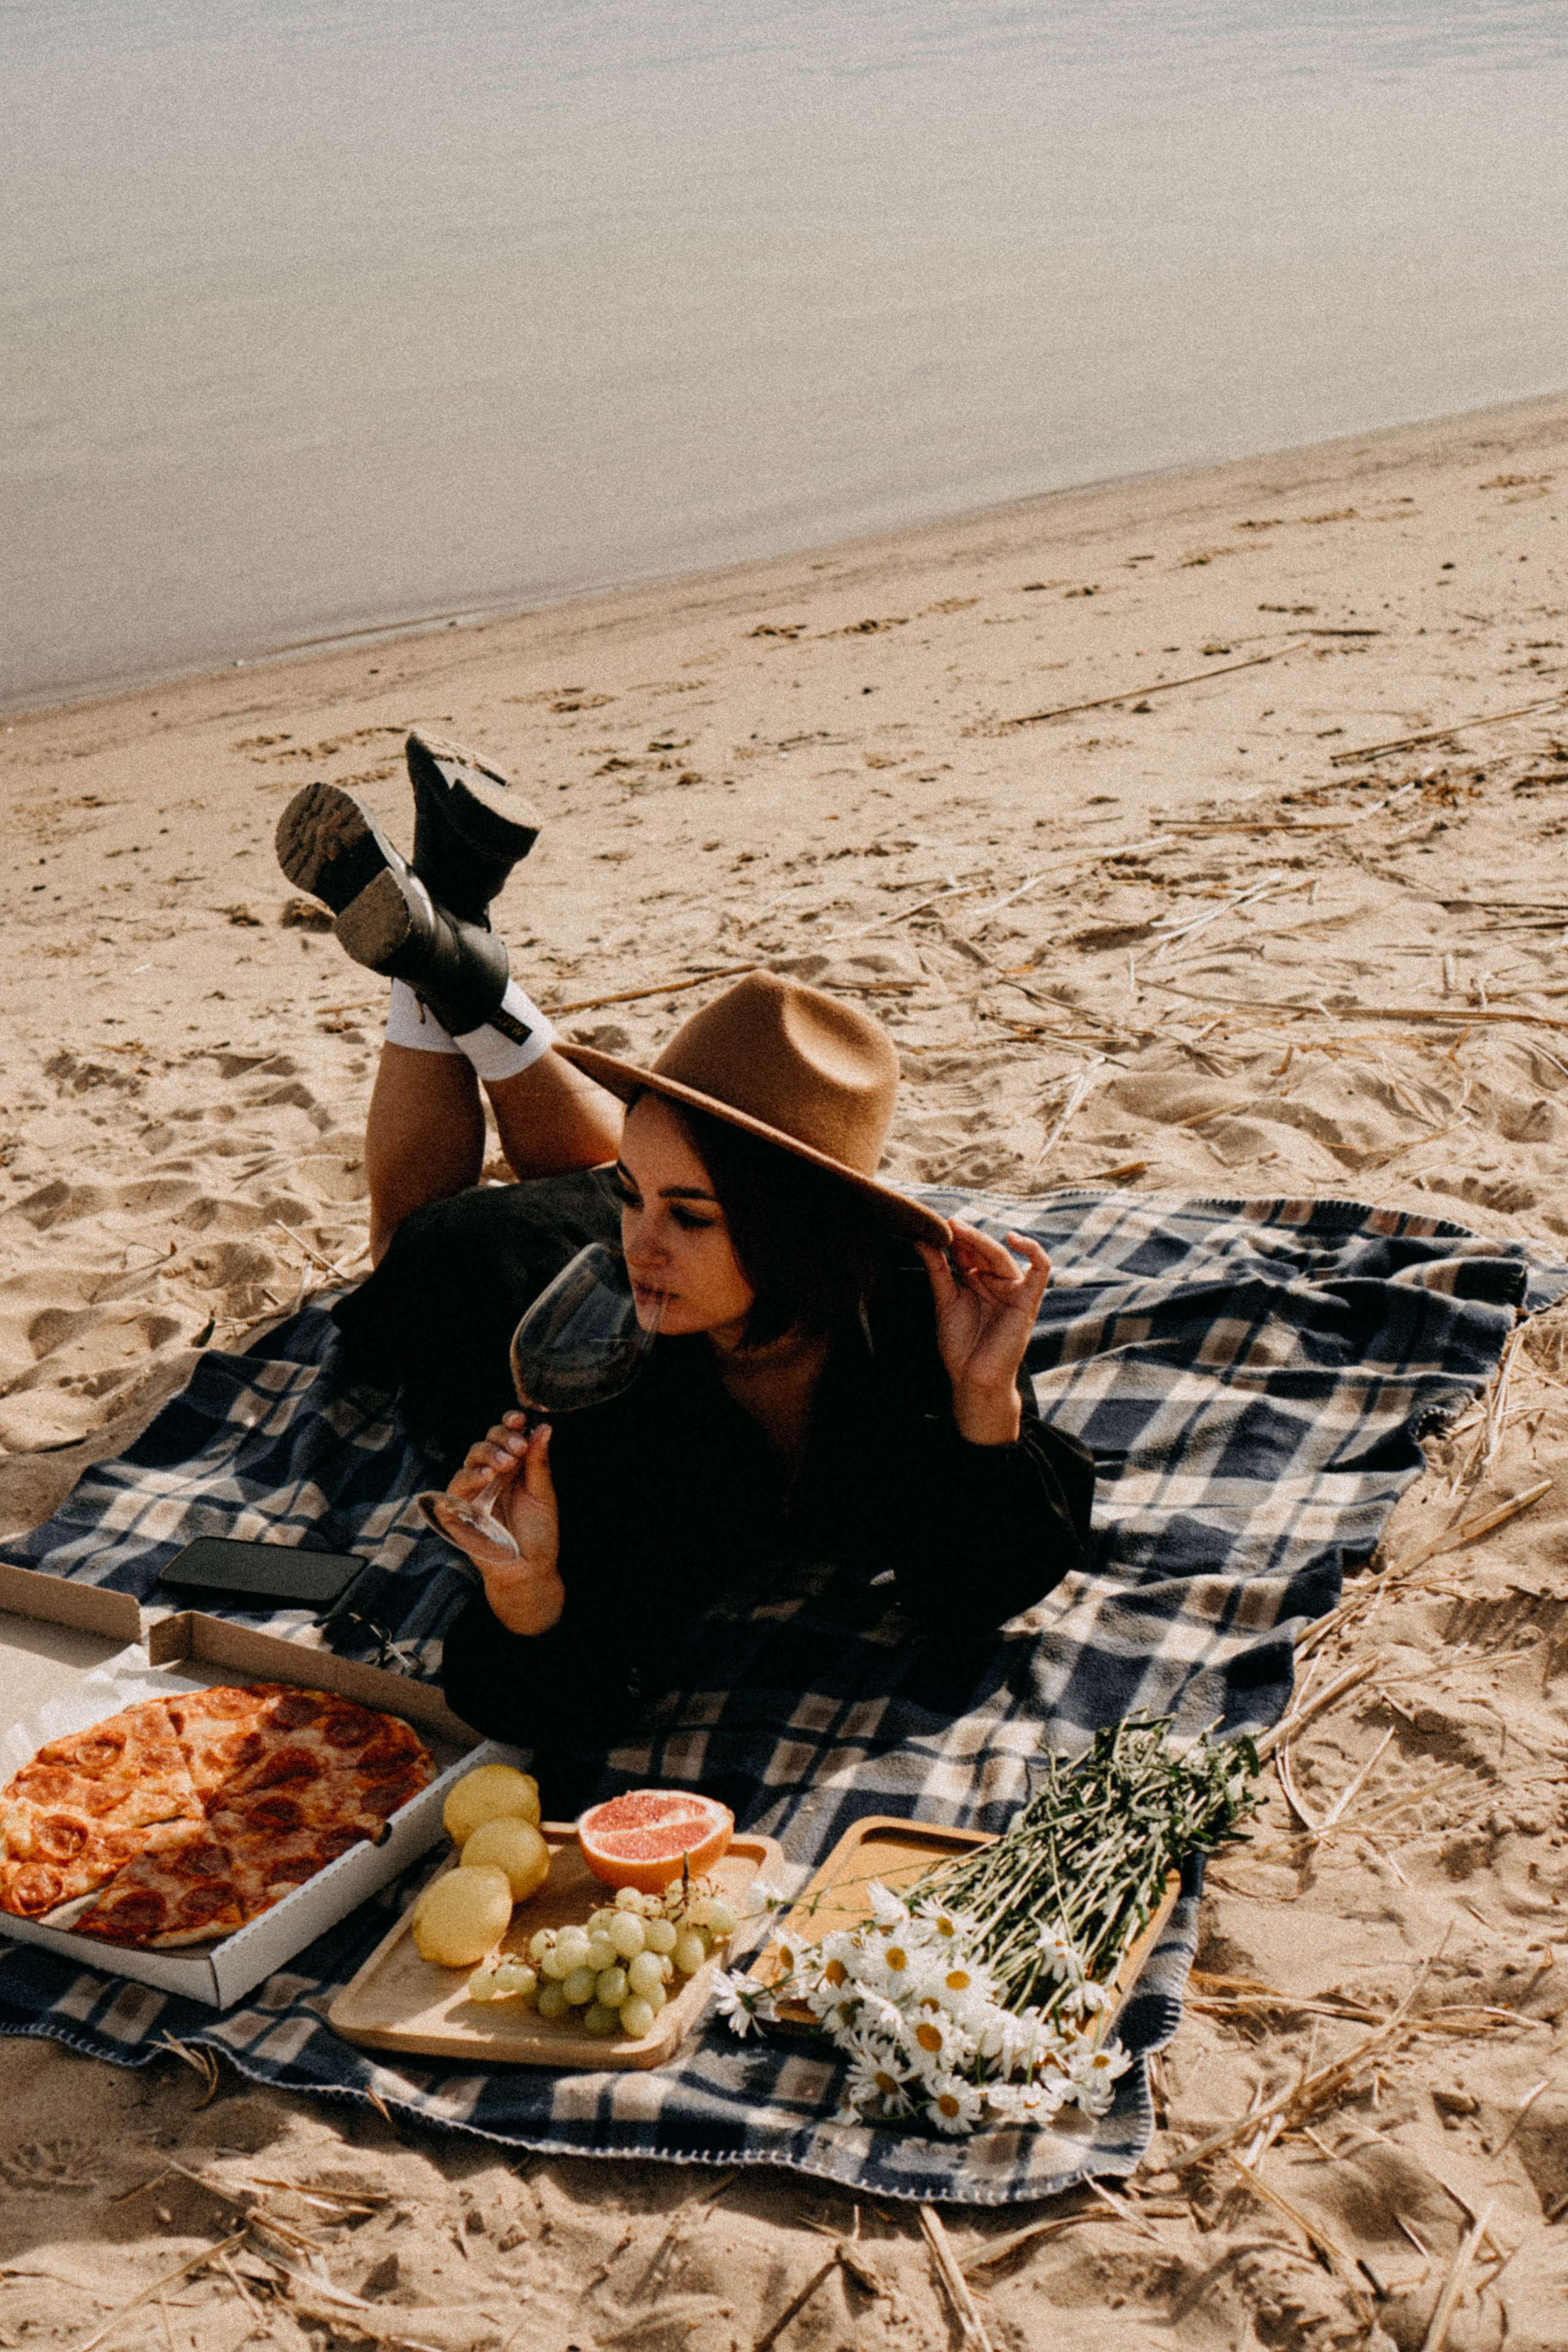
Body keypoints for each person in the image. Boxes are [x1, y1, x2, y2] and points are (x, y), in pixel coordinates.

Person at [277, 737, 1095, 1774]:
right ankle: (443, 949)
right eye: (639, 1204)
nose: (640, 1244)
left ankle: (449, 935)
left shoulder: (913, 1322)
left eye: (692, 1218)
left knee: (599, 1163)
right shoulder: (606, 1399)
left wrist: (988, 1404)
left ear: (808, 1230)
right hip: (503, 1274)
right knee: (411, 1231)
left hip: (649, 1249)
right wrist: (528, 1594)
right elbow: (565, 1704)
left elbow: (971, 1593)